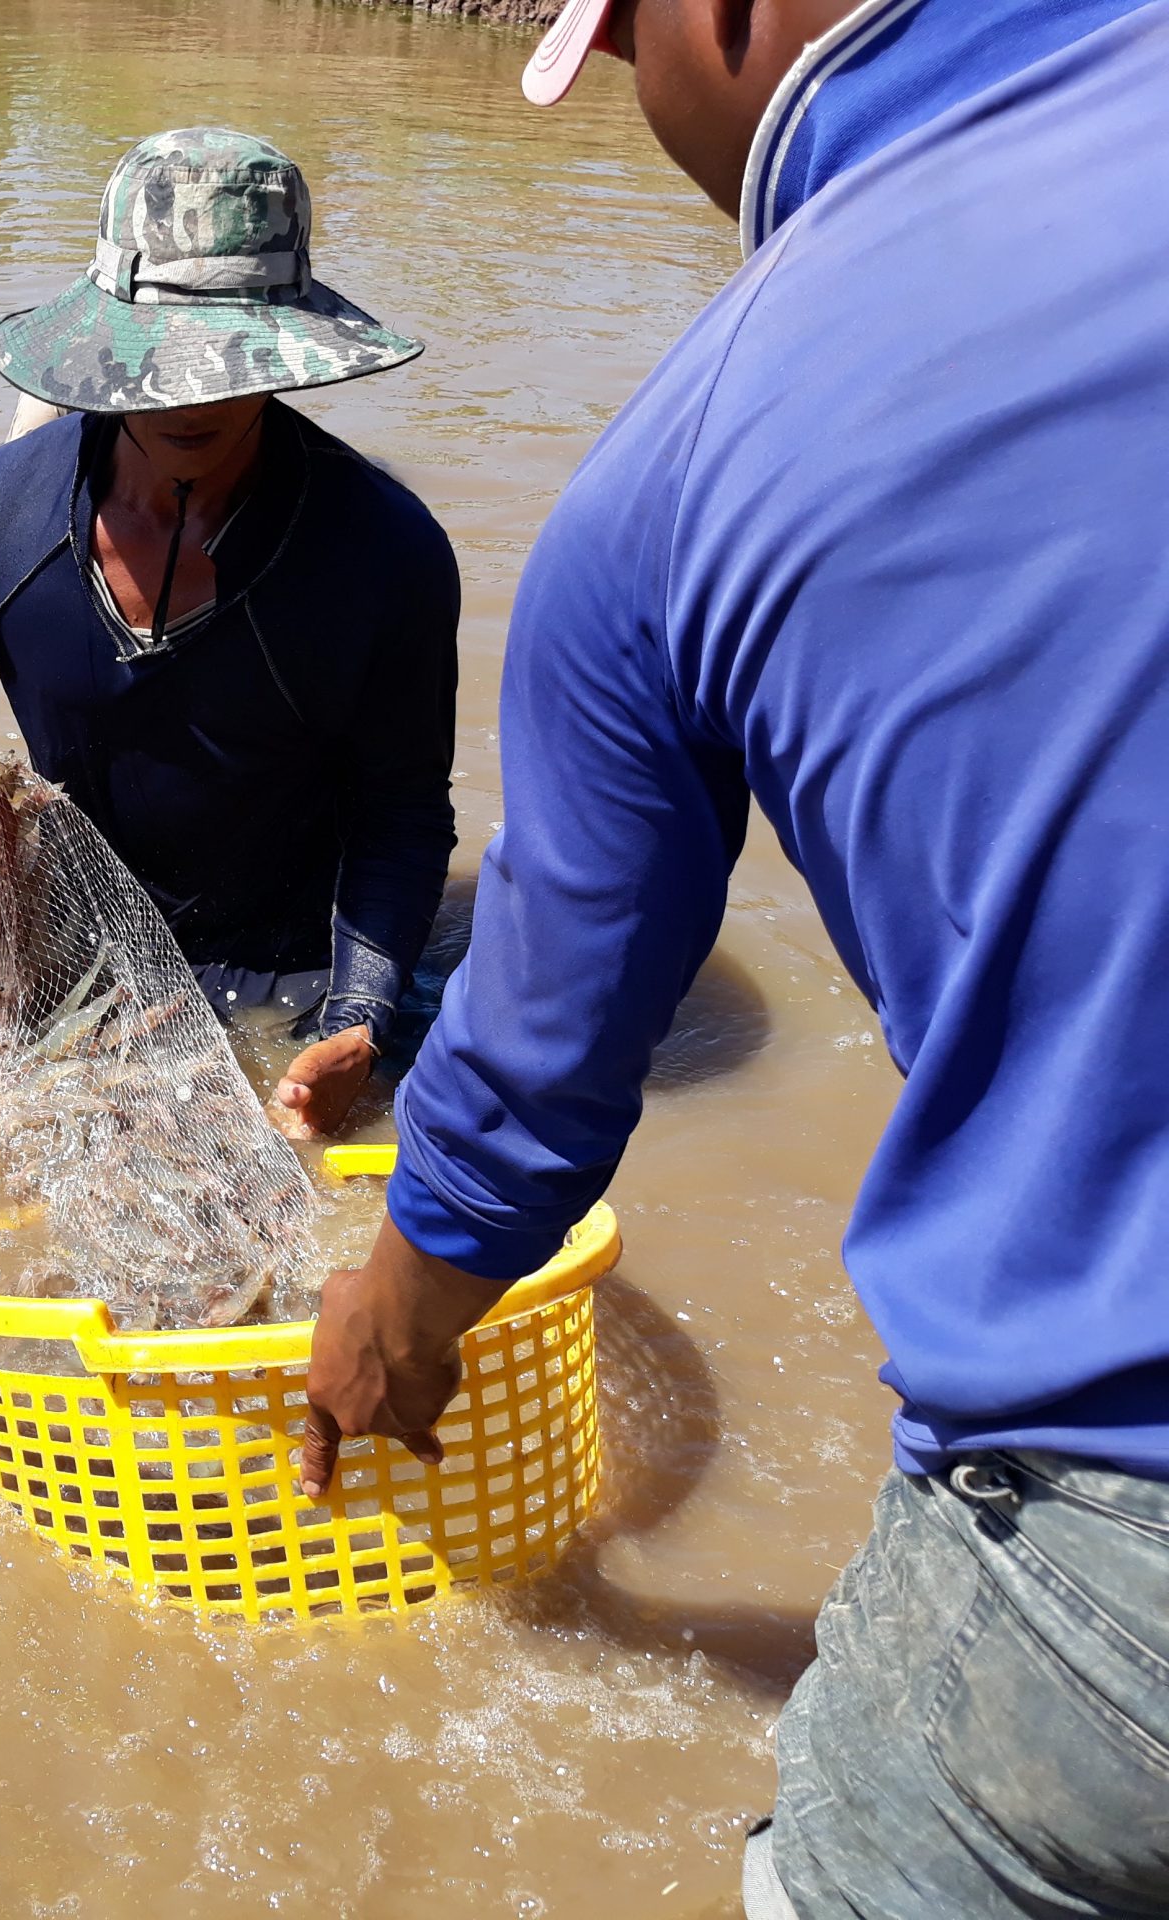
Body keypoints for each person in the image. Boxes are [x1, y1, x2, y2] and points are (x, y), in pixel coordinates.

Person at [298, 1, 1169, 1915]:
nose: (650, 116)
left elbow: (530, 1053)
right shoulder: (15, 514)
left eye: (624, 54)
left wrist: (385, 1325)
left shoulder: (652, 483)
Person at [0, 129, 461, 1138]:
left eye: (230, 356)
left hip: (294, 970)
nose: (194, 393)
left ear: (284, 339)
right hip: (70, 944)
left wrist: (360, 1023)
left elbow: (399, 815)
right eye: (168, 357)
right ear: (109, 335)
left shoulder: (384, 554)